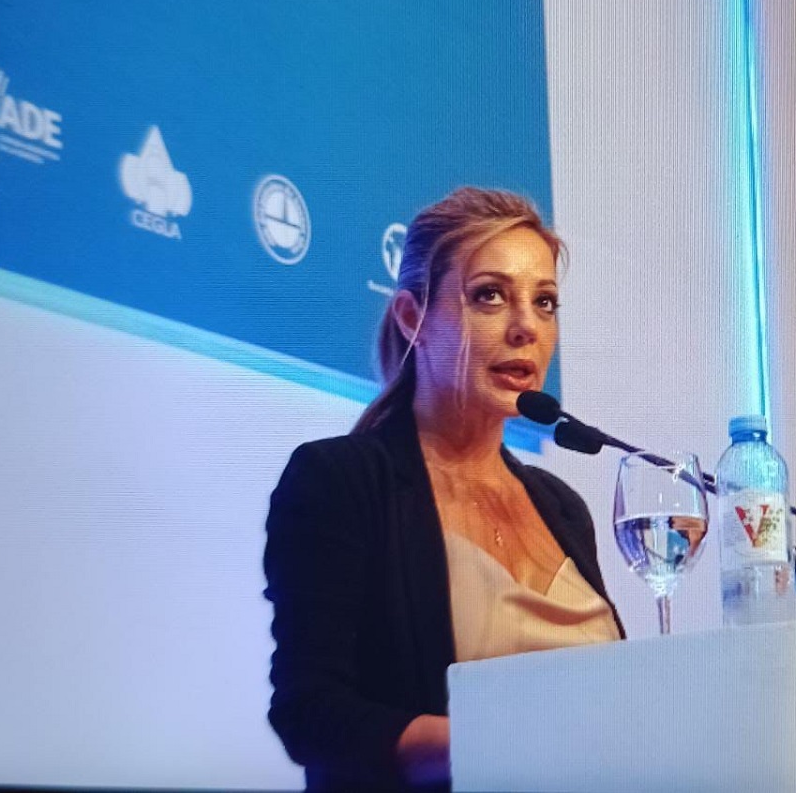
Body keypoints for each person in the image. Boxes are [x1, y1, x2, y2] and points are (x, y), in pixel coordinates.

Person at [263, 187, 625, 792]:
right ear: (413, 318)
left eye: (544, 302)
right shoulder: (342, 481)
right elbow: (311, 714)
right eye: (490, 295)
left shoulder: (562, 507)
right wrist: (507, 744)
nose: (526, 328)